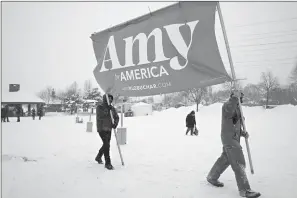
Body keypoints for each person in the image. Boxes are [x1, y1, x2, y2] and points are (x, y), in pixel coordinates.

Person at [206, 91, 261, 198]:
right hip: (229, 139)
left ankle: (212, 177)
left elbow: (234, 125)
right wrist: (235, 98)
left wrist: (242, 133)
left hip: (233, 138)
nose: (242, 99)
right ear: (235, 96)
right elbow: (229, 112)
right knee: (238, 161)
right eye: (241, 97)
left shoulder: (238, 109)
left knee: (225, 159)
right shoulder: (228, 105)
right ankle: (244, 190)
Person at [95, 94, 119, 170]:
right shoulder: (100, 107)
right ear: (105, 99)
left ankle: (98, 157)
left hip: (109, 129)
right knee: (107, 145)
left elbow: (116, 117)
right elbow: (100, 116)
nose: (110, 100)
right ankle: (108, 163)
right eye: (109, 98)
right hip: (101, 128)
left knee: (106, 144)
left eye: (111, 99)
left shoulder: (112, 108)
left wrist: (115, 123)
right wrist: (107, 110)